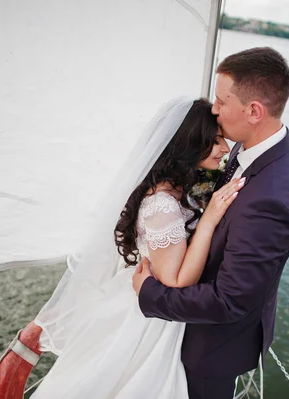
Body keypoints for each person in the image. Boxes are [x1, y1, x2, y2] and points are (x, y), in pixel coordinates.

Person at [29, 98, 243, 398]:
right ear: (190, 143)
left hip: (146, 303)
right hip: (146, 320)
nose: (224, 148)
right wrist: (207, 221)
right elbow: (176, 281)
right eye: (216, 140)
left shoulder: (176, 189)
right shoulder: (162, 204)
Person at [132, 47, 289, 399]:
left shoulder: (272, 198)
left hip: (209, 351)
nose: (214, 109)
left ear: (254, 111)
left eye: (221, 101)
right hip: (184, 328)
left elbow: (230, 301)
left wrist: (151, 294)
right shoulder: (245, 150)